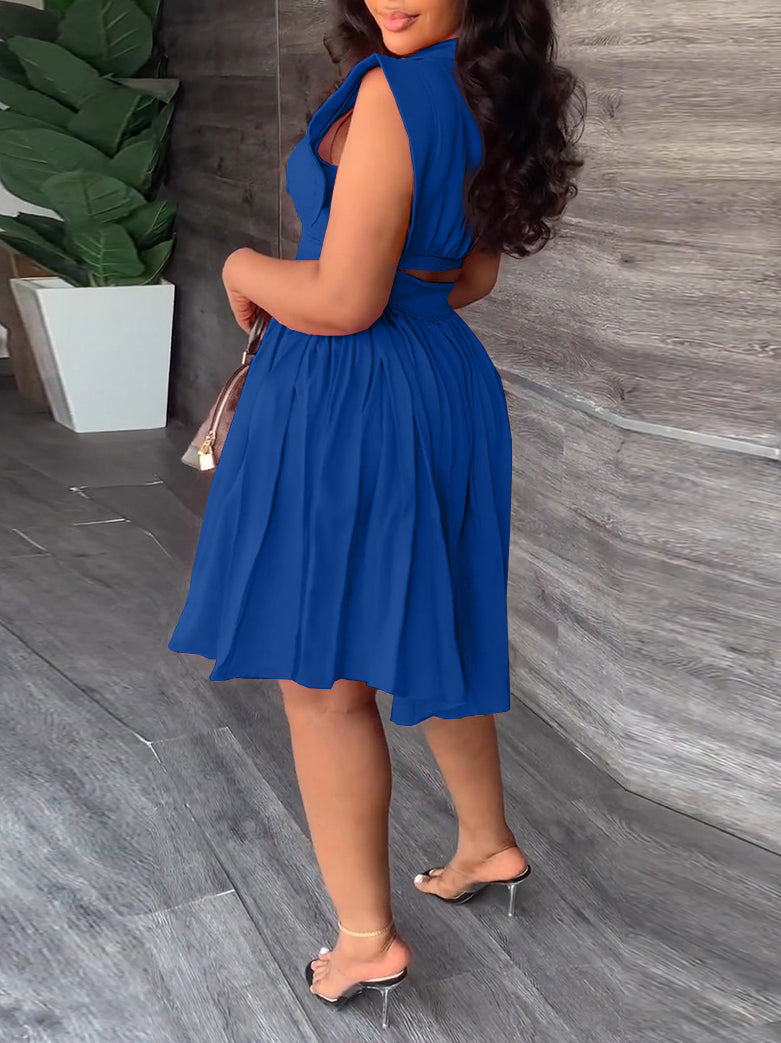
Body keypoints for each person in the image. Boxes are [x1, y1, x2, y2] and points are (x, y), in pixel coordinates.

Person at [168, 0, 584, 1027]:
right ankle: (485, 841)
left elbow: (344, 300)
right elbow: (469, 274)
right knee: (426, 616)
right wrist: (386, 297)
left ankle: (364, 939)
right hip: (442, 379)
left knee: (321, 676)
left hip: (346, 391)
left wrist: (241, 267)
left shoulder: (397, 94)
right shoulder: (488, 86)